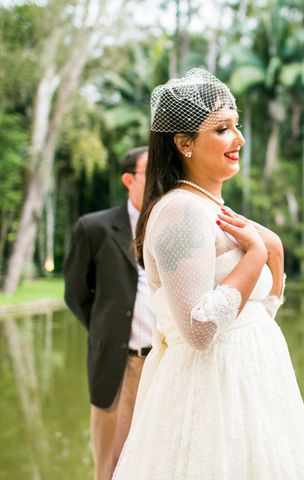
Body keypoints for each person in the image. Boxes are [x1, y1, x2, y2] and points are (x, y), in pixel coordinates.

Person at [112, 68, 304, 479]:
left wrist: (274, 255)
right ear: (184, 142)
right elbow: (198, 329)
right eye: (223, 129)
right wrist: (255, 254)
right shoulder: (180, 211)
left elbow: (253, 318)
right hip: (211, 395)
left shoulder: (212, 208)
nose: (239, 140)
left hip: (255, 390)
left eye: (237, 126)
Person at [64, 146, 157, 480]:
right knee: (112, 464)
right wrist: (107, 331)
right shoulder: (94, 228)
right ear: (129, 179)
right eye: (151, 171)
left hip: (167, 362)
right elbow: (76, 295)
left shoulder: (172, 224)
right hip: (121, 363)